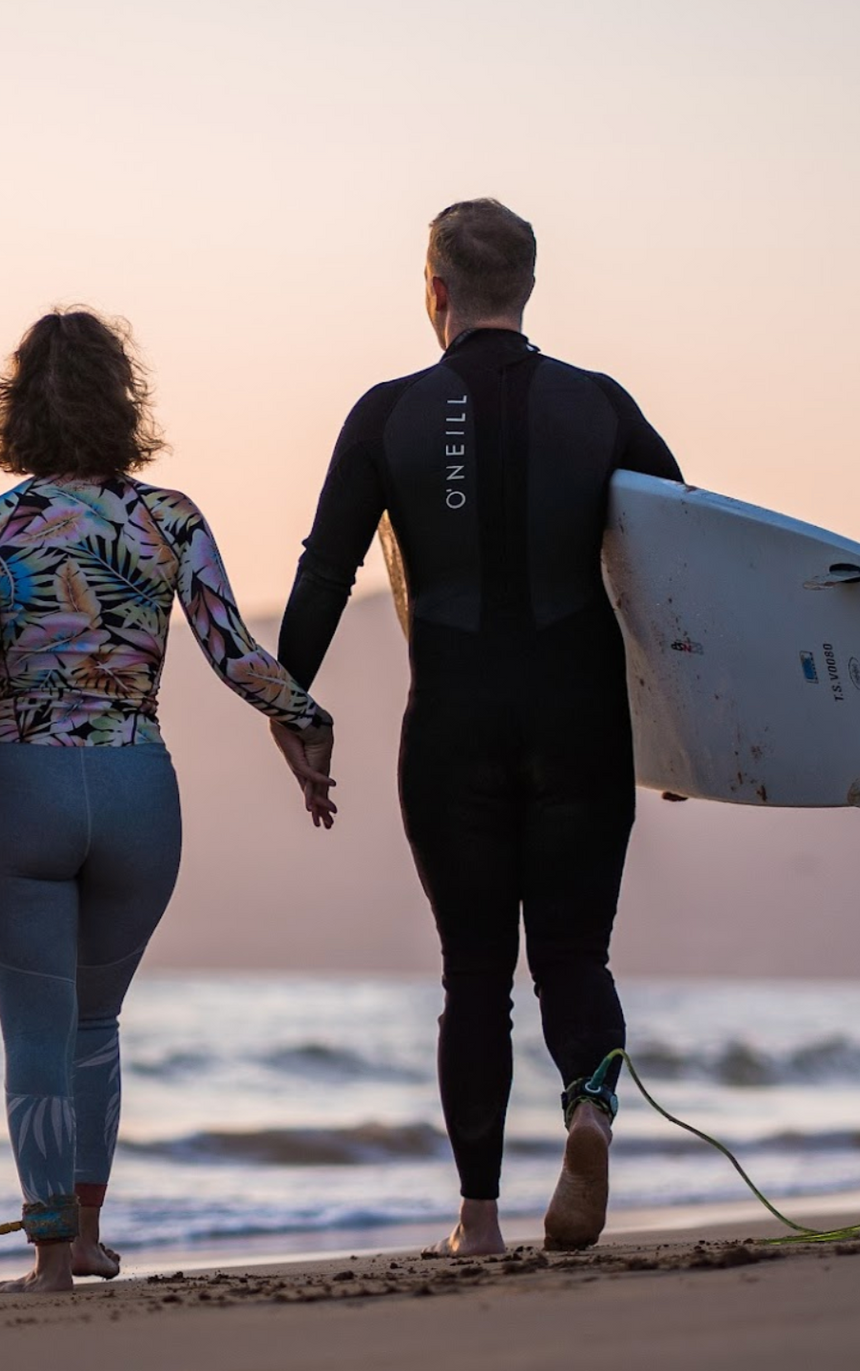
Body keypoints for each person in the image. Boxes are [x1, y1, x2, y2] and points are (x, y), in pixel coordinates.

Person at [0, 309, 335, 1293]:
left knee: (33, 1028)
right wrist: (307, 723)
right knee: (95, 1022)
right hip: (139, 786)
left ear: (16, 410)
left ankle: (53, 1255)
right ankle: (94, 1231)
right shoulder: (168, 519)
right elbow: (235, 653)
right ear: (122, 402)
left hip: (21, 785)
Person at [274, 199, 682, 1255]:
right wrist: (688, 724)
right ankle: (588, 1111)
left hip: (451, 725)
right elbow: (679, 560)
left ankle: (479, 1219)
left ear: (433, 290)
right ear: (530, 289)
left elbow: (326, 568)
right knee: (573, 956)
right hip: (582, 722)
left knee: (473, 975)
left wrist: (292, 706)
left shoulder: (387, 414)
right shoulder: (598, 407)